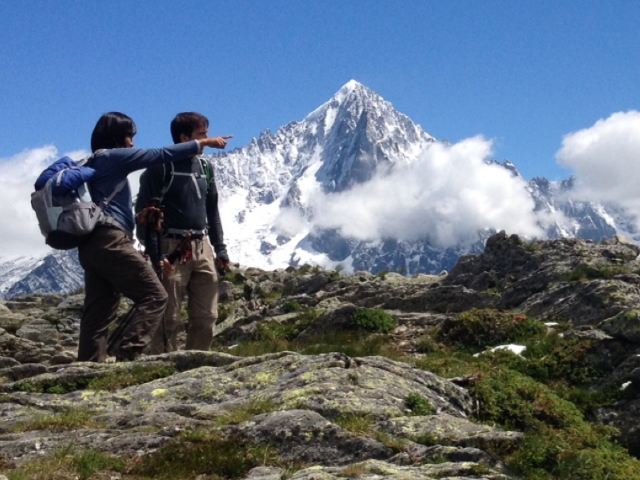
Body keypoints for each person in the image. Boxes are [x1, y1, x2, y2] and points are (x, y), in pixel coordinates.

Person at [77, 112, 230, 362]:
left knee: (99, 309)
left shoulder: (93, 160)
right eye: (129, 137)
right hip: (115, 239)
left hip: (93, 242)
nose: (132, 143)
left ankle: (88, 367)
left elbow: (211, 210)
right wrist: (204, 143)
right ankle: (130, 352)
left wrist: (220, 249)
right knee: (155, 296)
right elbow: (159, 154)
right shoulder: (114, 157)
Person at [136, 112, 231, 354]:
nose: (208, 140)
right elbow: (146, 216)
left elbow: (213, 212)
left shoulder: (205, 169)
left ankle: (196, 363)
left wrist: (220, 250)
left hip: (202, 246)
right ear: (184, 137)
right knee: (170, 317)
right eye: (202, 135)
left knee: (207, 315)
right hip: (170, 248)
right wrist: (156, 255)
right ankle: (163, 367)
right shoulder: (160, 168)